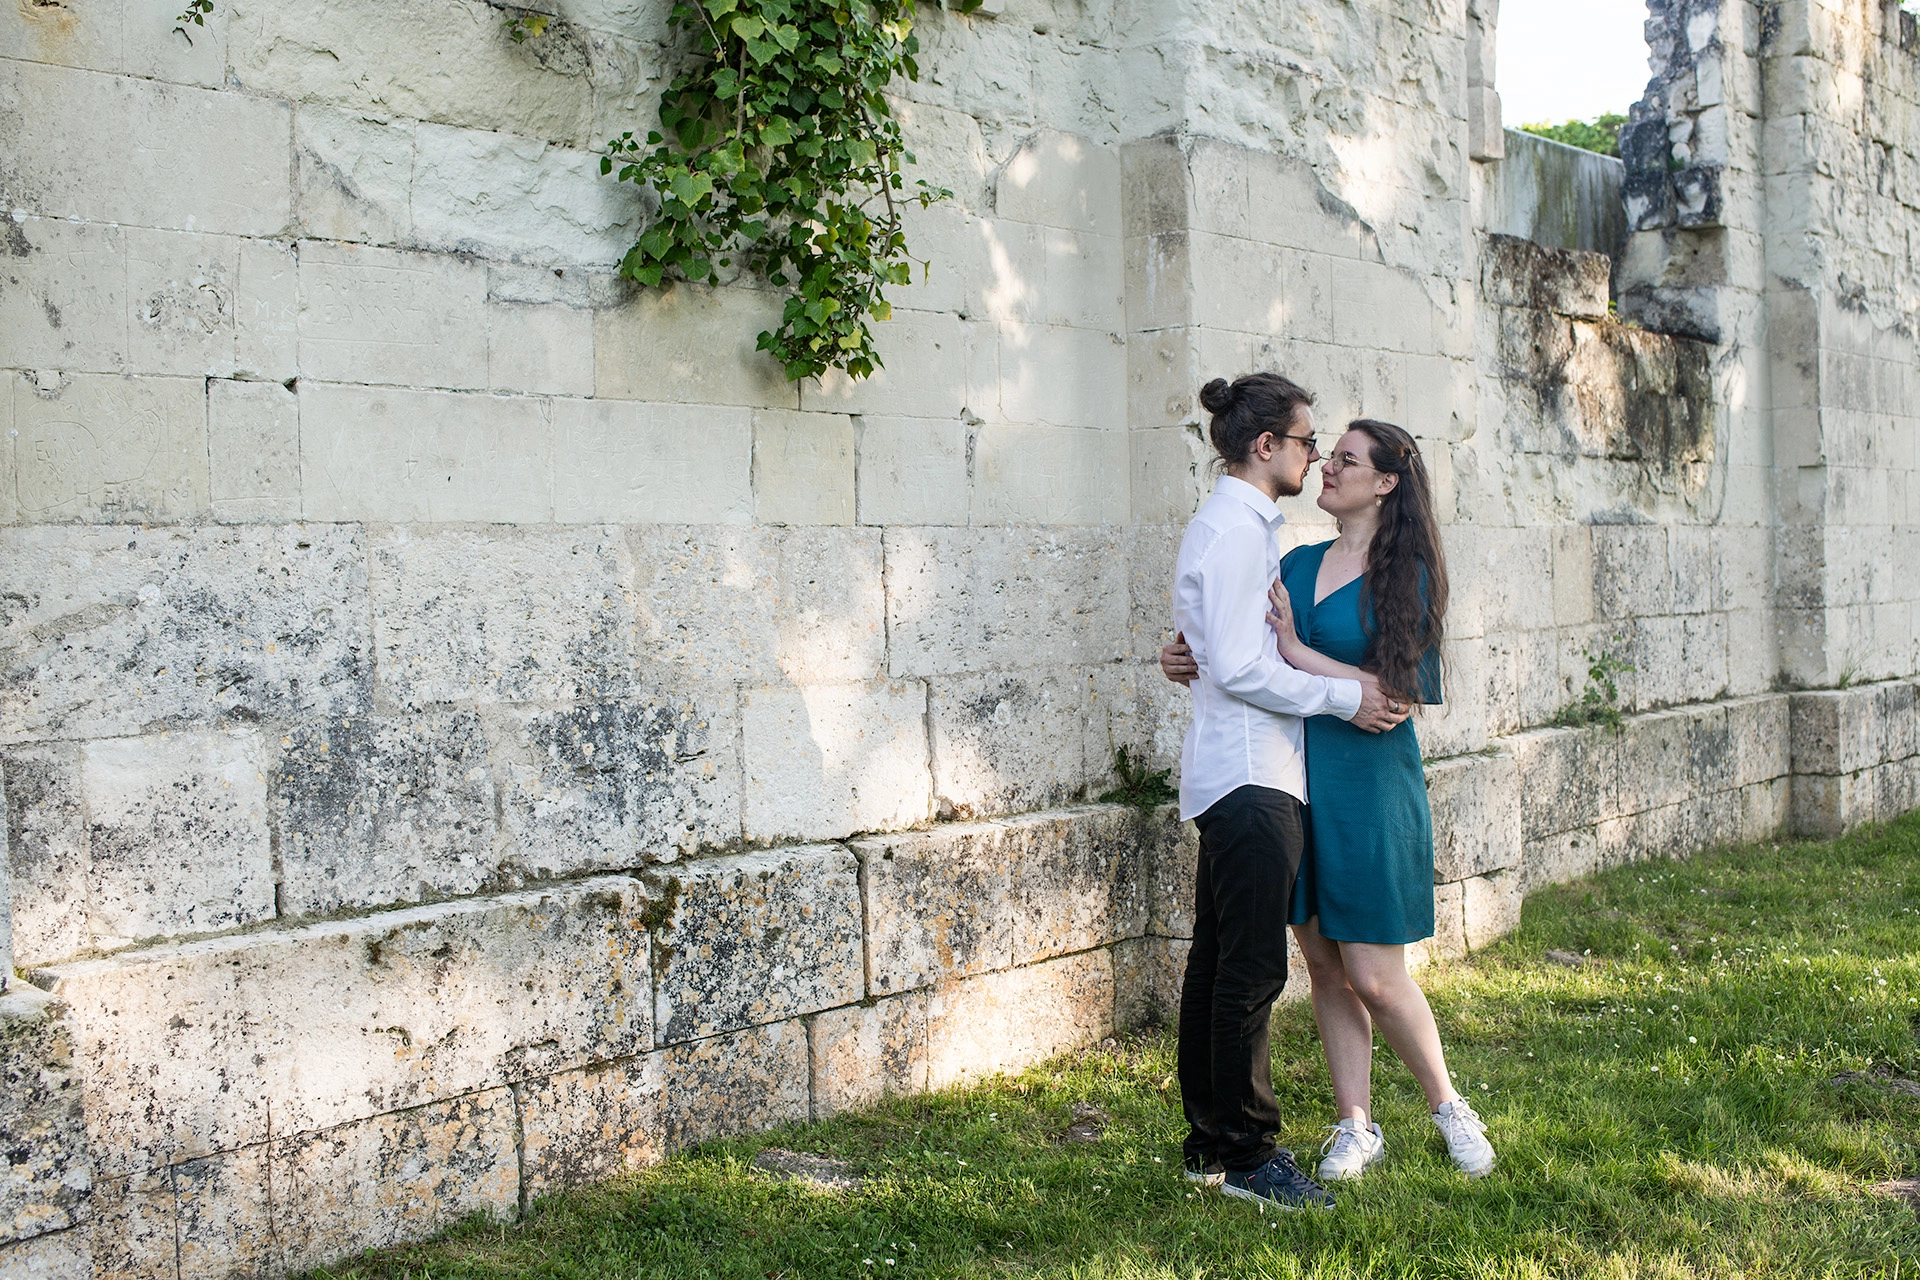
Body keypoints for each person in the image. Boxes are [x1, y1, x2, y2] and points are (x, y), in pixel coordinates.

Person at [1161, 417, 1498, 1183]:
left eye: (1345, 459)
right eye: (1327, 454)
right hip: (1298, 778)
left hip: (1370, 784)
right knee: (1324, 967)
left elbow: (1397, 696)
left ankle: (1448, 1105)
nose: (1327, 466)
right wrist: (1180, 652)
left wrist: (1298, 651)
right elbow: (1233, 643)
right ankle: (1356, 1123)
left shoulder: (1405, 573)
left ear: (1385, 483)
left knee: (1377, 973)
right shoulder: (1296, 561)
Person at [1169, 374, 1410, 1212]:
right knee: (1250, 969)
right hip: (1249, 777)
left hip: (1239, 771)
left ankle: (1210, 1143)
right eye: (1307, 441)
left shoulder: (1240, 528)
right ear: (1265, 446)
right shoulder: (1236, 532)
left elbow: (1214, 648)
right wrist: (1346, 696)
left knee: (1218, 961)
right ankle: (1245, 1152)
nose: (1314, 454)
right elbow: (1238, 666)